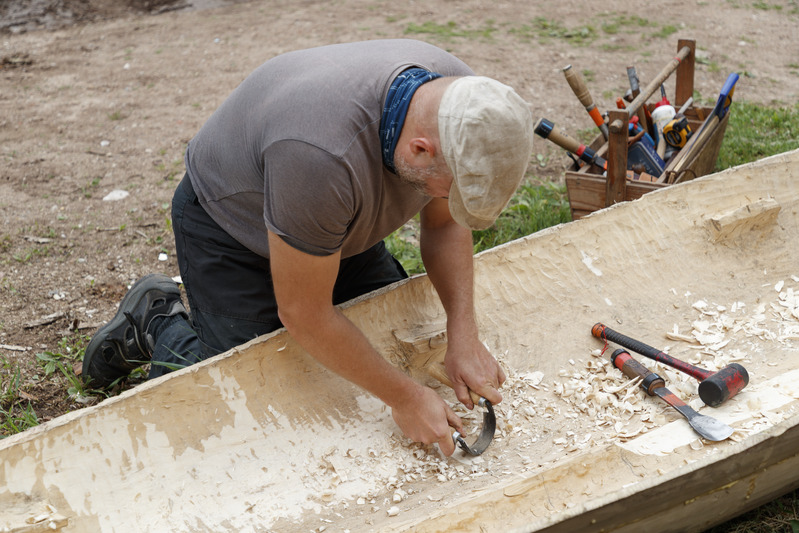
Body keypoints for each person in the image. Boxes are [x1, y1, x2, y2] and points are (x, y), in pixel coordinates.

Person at [83, 39, 534, 456]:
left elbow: (445, 226)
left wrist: (463, 332)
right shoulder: (320, 154)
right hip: (232, 229)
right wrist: (405, 397)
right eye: (447, 190)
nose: (445, 201)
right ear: (418, 150)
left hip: (330, 224)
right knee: (250, 397)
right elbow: (303, 313)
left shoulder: (462, 105)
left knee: (391, 345)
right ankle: (157, 320)